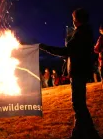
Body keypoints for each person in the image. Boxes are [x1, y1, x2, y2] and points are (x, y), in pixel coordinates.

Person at [40, 8, 100, 139]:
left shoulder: (81, 33)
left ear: (78, 20)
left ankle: (90, 134)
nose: (72, 21)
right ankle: (79, 134)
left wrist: (44, 47)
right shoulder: (85, 32)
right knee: (79, 104)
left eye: (73, 18)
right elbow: (75, 52)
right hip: (80, 71)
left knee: (78, 104)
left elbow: (67, 51)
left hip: (78, 72)